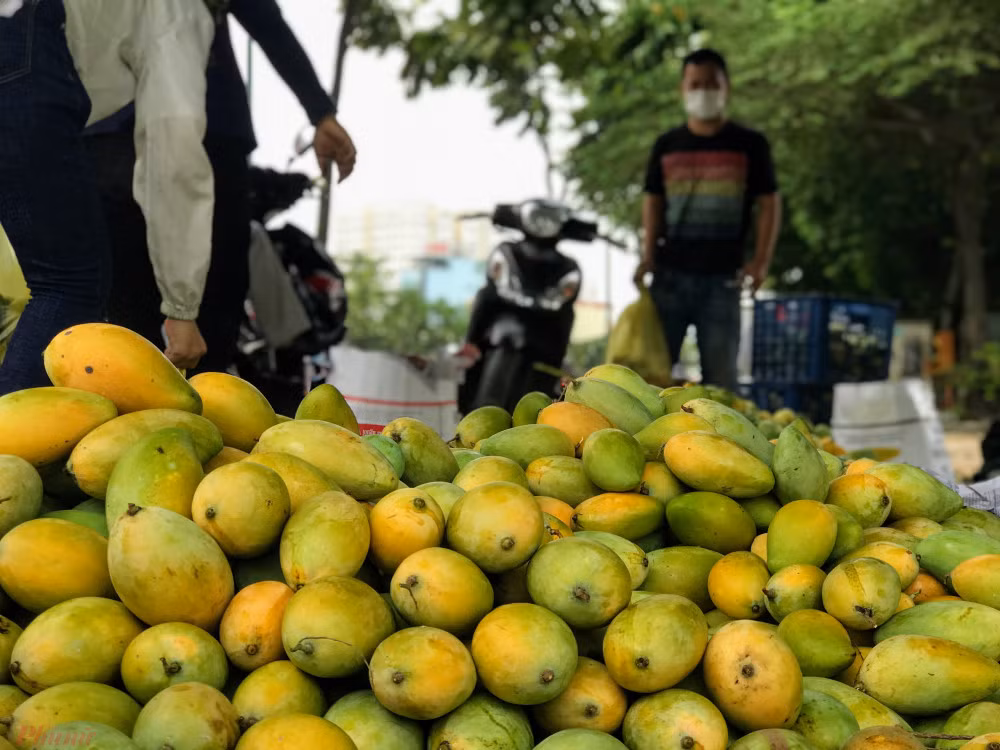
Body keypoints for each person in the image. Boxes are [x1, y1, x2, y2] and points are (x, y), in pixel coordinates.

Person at [86, 0, 357, 375]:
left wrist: (319, 111)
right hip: (170, 128)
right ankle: (184, 396)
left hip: (142, 129)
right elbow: (265, 19)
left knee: (153, 303)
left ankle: (174, 397)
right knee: (192, 301)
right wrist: (320, 112)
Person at [0, 0, 217, 394]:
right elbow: (173, 143)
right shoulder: (177, 7)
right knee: (69, 284)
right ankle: (7, 432)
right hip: (16, 50)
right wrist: (181, 307)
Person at [636, 48, 782, 391]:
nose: (703, 91)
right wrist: (647, 257)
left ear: (727, 87)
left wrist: (761, 262)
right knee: (650, 379)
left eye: (711, 84)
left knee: (721, 384)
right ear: (683, 89)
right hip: (669, 277)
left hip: (723, 280)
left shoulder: (750, 145)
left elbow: (770, 203)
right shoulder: (666, 145)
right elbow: (653, 203)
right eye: (695, 84)